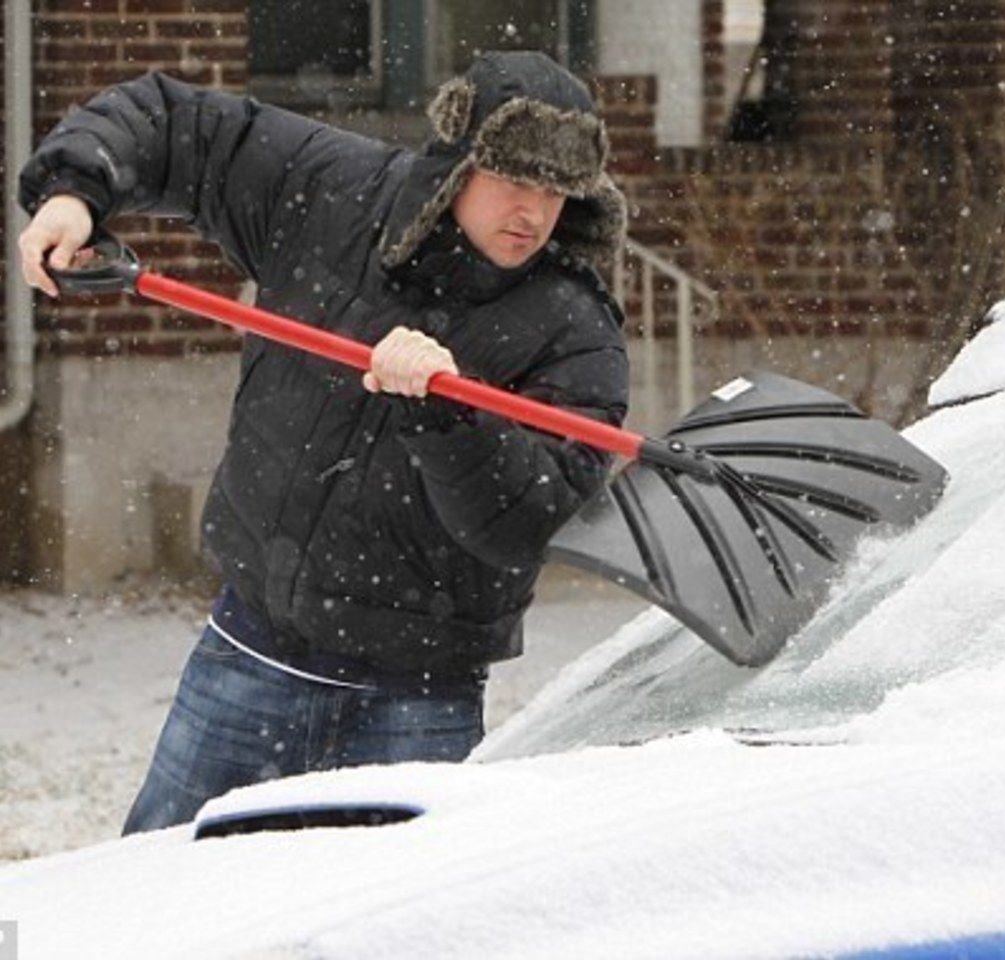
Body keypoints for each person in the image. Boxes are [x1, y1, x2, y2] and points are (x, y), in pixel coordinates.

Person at [15, 51, 630, 833]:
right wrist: (75, 191)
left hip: (418, 704)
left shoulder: (574, 329)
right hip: (248, 661)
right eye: (514, 180)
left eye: (554, 191)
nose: (533, 214)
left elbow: (522, 525)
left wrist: (449, 417)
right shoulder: (334, 194)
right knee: (165, 908)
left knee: (390, 934)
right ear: (457, 164)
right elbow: (175, 122)